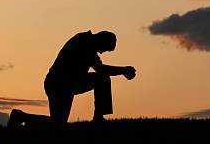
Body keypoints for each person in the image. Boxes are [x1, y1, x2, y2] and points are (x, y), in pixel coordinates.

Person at [7, 30, 136, 127]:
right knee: (58, 124)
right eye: (104, 49)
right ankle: (98, 118)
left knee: (58, 124)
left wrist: (122, 70)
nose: (102, 52)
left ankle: (20, 116)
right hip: (58, 85)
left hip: (69, 83)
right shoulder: (83, 42)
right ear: (101, 39)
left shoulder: (88, 44)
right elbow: (101, 69)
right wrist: (123, 70)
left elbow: (100, 68)